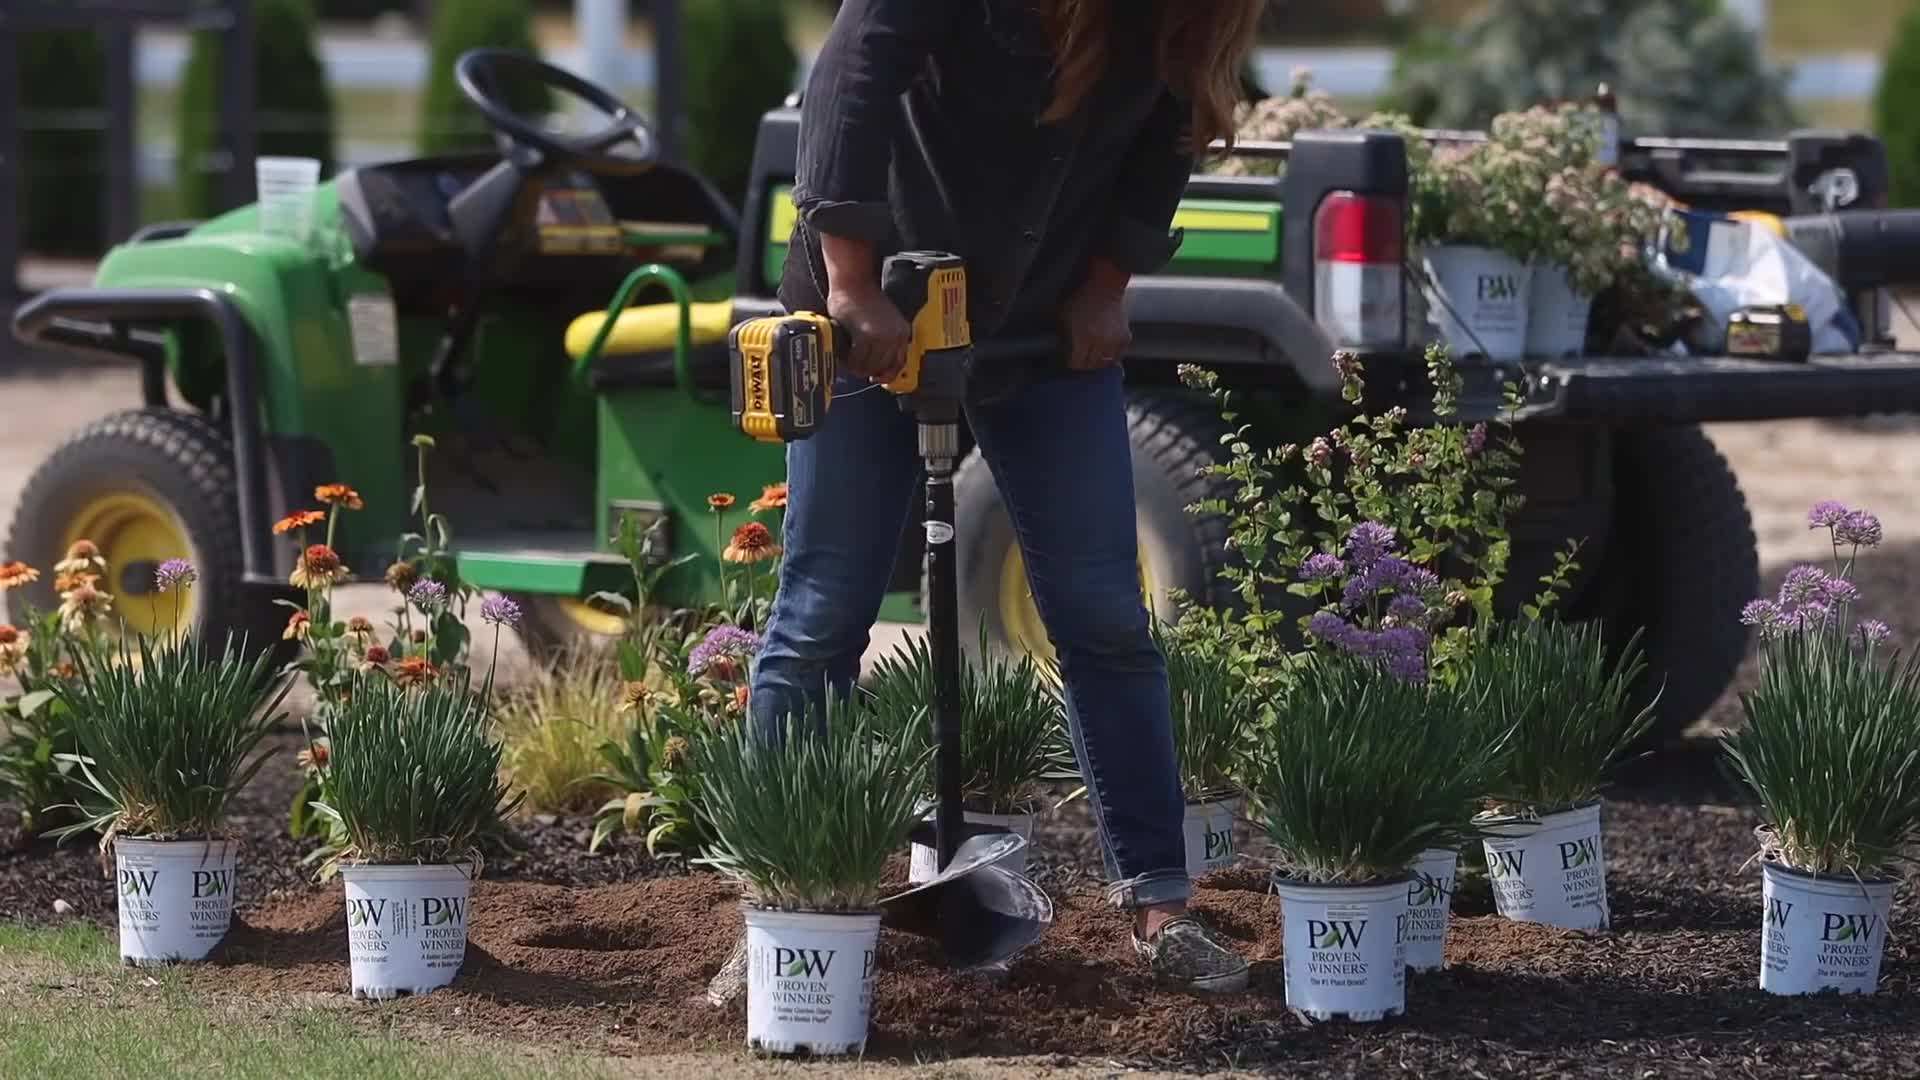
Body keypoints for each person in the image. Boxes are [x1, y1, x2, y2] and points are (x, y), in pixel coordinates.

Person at [707, 0, 1265, 1005]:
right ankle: (782, 909)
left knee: (1104, 616)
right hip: (870, 312)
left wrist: (1107, 286)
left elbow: (1167, 135)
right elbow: (849, 85)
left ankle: (1159, 906)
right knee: (823, 609)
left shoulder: (1187, 14)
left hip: (1043, 326)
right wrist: (849, 282)